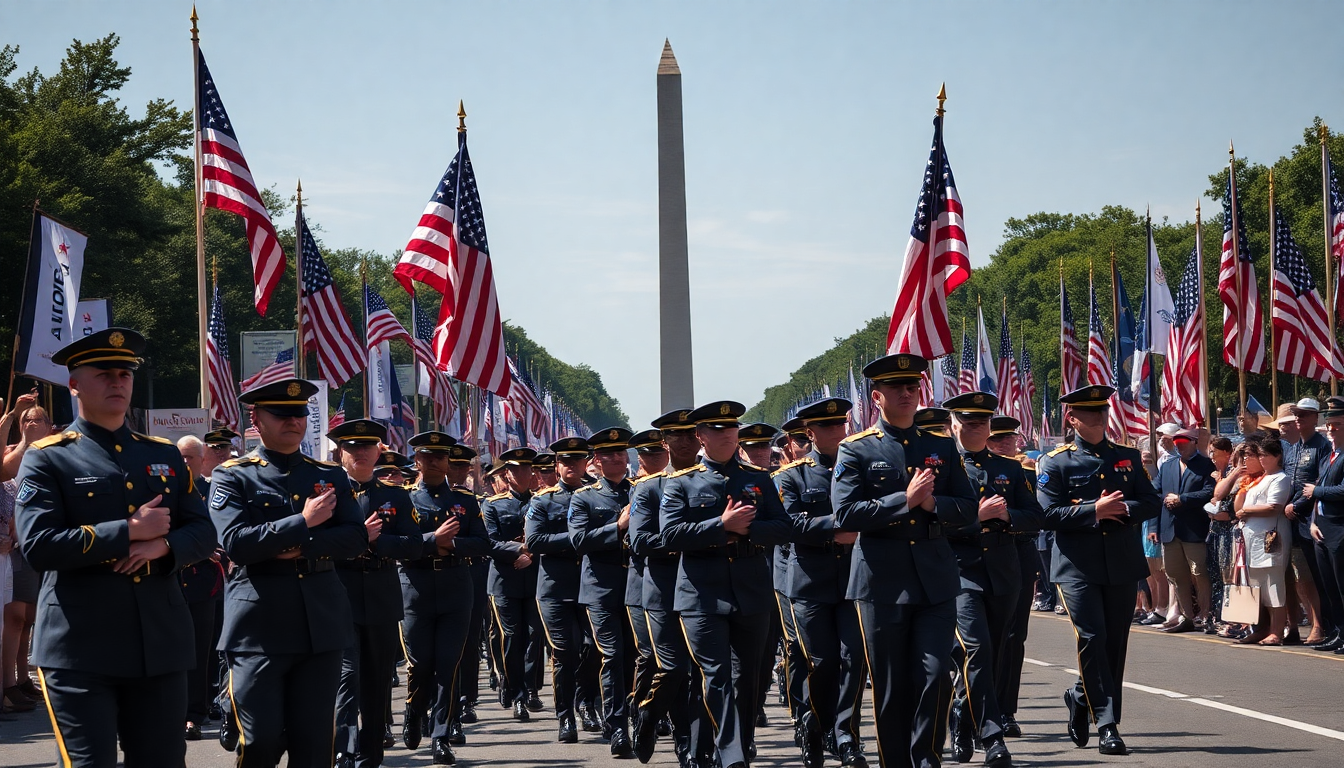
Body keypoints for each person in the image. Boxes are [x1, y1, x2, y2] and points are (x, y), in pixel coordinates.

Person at [15, 328, 217, 767]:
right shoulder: (48, 456)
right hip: (80, 647)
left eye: (124, 374)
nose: (117, 382)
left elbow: (204, 533)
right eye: (104, 374)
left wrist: (163, 546)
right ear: (74, 384)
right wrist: (128, 531)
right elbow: (39, 546)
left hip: (159, 643)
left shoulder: (162, 453)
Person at [210, 378, 368, 767]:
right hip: (258, 626)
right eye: (281, 414)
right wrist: (303, 521)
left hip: (320, 622)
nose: (292, 421)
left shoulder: (329, 475)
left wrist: (301, 545)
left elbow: (355, 539)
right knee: (259, 740)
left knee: (314, 744)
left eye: (298, 414)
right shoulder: (233, 475)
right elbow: (236, 543)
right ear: (256, 419)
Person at [831, 354, 977, 768]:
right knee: (892, 684)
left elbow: (968, 508)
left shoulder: (941, 446)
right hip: (882, 580)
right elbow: (845, 515)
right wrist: (904, 501)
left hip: (935, 579)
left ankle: (926, 759)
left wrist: (933, 505)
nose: (907, 393)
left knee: (936, 674)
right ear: (877, 396)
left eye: (912, 386)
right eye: (896, 387)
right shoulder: (855, 449)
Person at [660, 401, 794, 768]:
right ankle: (731, 754)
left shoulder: (759, 478)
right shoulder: (681, 482)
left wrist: (746, 529)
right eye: (717, 429)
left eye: (732, 427)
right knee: (715, 675)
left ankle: (732, 745)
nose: (727, 434)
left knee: (747, 678)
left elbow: (783, 527)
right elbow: (670, 535)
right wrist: (721, 526)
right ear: (700, 436)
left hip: (751, 589)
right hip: (702, 593)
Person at [1035, 384, 1160, 756]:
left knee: (1114, 643)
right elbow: (1046, 514)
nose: (1098, 417)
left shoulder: (1127, 456)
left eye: (1102, 411)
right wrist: (1094, 510)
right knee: (1092, 637)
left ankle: (1080, 695)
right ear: (1072, 418)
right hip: (1078, 566)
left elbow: (1150, 501)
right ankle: (1108, 725)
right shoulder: (1056, 462)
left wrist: (1123, 509)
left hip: (1121, 561)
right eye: (1089, 412)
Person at [944, 394, 1043, 768]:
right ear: (955, 425)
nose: (977, 429)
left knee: (997, 654)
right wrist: (977, 518)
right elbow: (932, 522)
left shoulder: (1009, 469)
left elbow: (1035, 516)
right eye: (969, 423)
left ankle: (962, 711)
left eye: (983, 424)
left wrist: (1006, 517)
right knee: (977, 650)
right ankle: (992, 736)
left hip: (1003, 572)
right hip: (960, 573)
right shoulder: (942, 468)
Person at [772, 397, 867, 768]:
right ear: (810, 433)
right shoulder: (791, 476)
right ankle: (814, 726)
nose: (836, 431)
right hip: (811, 582)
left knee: (854, 659)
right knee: (821, 662)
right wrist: (836, 529)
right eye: (826, 426)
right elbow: (789, 524)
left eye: (840, 424)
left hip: (854, 580)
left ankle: (846, 736)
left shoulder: (859, 467)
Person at [327, 419, 423, 768]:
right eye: (353, 447)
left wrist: (376, 542)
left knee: (377, 680)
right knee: (346, 677)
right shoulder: (328, 493)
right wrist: (356, 540)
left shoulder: (395, 495)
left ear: (378, 452)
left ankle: (370, 754)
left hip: (381, 594)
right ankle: (343, 750)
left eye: (368, 446)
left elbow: (414, 545)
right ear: (341, 452)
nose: (361, 452)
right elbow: (315, 542)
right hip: (340, 592)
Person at [401, 433, 492, 764]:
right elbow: (397, 543)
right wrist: (431, 540)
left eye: (441, 456)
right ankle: (414, 711)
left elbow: (482, 543)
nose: (435, 461)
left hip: (455, 585)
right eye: (428, 456)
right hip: (417, 586)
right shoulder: (404, 498)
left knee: (448, 664)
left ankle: (440, 734)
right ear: (417, 460)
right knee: (421, 663)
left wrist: (451, 545)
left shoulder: (465, 501)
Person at [630, 409, 711, 768]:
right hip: (662, 589)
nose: (685, 441)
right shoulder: (648, 488)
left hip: (702, 586)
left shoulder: (712, 480)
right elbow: (639, 541)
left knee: (699, 672)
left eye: (691, 434)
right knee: (673, 668)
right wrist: (687, 541)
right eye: (676, 435)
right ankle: (648, 714)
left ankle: (689, 745)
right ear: (664, 442)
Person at [569, 427, 638, 758]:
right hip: (600, 588)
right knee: (612, 655)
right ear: (596, 460)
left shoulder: (640, 491)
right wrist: (618, 527)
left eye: (620, 452)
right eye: (608, 454)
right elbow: (579, 540)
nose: (616, 458)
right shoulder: (584, 497)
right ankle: (618, 726)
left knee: (633, 656)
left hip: (636, 585)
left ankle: (634, 714)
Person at [525, 436, 592, 744]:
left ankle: (587, 704)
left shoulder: (596, 495)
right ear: (557, 465)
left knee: (593, 649)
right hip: (555, 587)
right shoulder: (543, 500)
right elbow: (535, 541)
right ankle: (565, 716)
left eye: (577, 460)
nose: (571, 466)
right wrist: (580, 537)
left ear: (586, 463)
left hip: (592, 584)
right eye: (565, 461)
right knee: (564, 653)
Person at [986, 415, 1042, 739]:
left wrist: (1009, 517)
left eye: (1010, 437)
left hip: (1018, 553)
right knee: (978, 640)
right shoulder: (967, 469)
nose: (1006, 442)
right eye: (998, 438)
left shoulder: (1026, 472)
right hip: (980, 558)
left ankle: (1005, 710)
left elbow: (1036, 516)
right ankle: (972, 704)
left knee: (1013, 637)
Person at [482, 448, 540, 720]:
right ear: (507, 474)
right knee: (511, 637)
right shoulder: (493, 505)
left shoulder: (541, 501)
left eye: (526, 468)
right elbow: (489, 542)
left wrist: (532, 554)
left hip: (535, 578)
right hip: (505, 580)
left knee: (534, 636)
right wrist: (520, 550)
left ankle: (530, 688)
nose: (522, 474)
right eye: (516, 469)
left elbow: (550, 535)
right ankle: (516, 692)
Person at [176, 434, 225, 741]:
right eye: (180, 456)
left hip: (203, 582)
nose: (184, 462)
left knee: (202, 649)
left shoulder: (211, 490)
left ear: (202, 459)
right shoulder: (165, 491)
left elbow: (222, 531)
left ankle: (195, 713)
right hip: (170, 578)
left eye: (190, 457)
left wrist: (206, 547)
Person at [1283, 399, 1339, 650]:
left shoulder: (1323, 447)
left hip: (1312, 519)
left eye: (1304, 415)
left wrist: (1296, 506)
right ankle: (1326, 627)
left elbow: (1319, 484)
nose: (1299, 418)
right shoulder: (1293, 448)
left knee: (1321, 578)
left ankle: (1327, 626)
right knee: (1303, 576)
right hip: (1294, 519)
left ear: (1316, 418)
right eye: (1296, 414)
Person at [1149, 428, 1216, 634]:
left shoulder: (1205, 465)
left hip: (1194, 529)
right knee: (1176, 575)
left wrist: (1182, 499)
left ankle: (1205, 616)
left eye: (1184, 442)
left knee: (1199, 573)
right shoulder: (1167, 466)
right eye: (1177, 443)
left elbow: (1209, 492)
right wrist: (1153, 526)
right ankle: (1187, 616)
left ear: (1194, 442)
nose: (1180, 446)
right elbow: (1154, 493)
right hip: (1169, 530)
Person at [1231, 438, 1293, 645]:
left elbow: (1274, 506)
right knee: (1258, 586)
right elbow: (1238, 505)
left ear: (1277, 456)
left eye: (1266, 455)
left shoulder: (1280, 478)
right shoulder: (1259, 479)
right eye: (1260, 455)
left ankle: (1276, 631)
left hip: (1271, 539)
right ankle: (1261, 628)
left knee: (1273, 585)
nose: (1262, 459)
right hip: (1252, 540)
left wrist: (1247, 510)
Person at [1302, 396, 1344, 656]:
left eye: (1336, 425)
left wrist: (1316, 491)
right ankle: (1339, 632)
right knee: (1330, 588)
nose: (1331, 430)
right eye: (1329, 425)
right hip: (1322, 528)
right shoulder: (1330, 456)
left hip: (1340, 529)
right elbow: (1320, 492)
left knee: (1342, 586)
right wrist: (1314, 522)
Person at [1205, 437, 1238, 635]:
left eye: (1214, 452)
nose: (1211, 456)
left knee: (1228, 575)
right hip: (1215, 530)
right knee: (1215, 575)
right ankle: (1217, 616)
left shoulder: (1234, 472)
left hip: (1228, 531)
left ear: (1227, 453)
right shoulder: (1217, 473)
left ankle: (1231, 619)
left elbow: (1219, 497)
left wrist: (1226, 478)